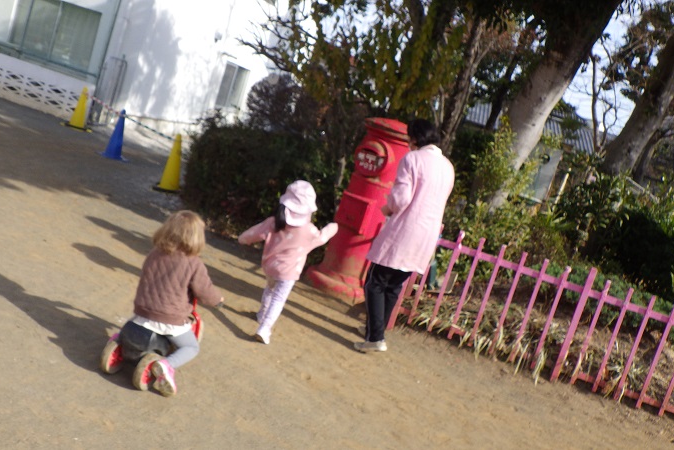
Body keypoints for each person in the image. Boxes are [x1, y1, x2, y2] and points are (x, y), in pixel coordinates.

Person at [355, 119, 455, 353]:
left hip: (404, 230)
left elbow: (401, 199)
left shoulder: (412, 159)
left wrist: (387, 207)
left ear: (415, 138)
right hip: (426, 235)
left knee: (375, 282)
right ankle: (375, 330)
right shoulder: (448, 167)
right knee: (394, 285)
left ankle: (375, 337)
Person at [125, 210, 224, 396]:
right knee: (191, 347)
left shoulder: (154, 254)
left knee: (147, 324)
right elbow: (204, 291)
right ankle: (166, 365)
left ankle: (121, 342)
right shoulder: (194, 263)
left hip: (142, 311)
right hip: (169, 319)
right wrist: (218, 300)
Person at [238, 180, 338, 345]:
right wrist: (333, 227)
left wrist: (242, 239)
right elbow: (322, 238)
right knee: (278, 299)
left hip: (270, 267)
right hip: (289, 272)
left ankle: (261, 314)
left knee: (269, 289)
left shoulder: (273, 222)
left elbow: (253, 233)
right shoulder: (309, 230)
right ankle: (264, 328)